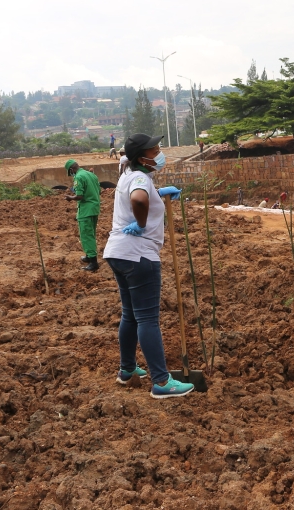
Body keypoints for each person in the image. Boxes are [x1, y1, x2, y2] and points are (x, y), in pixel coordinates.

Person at [103, 133, 193, 398]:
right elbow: (139, 200)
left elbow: (143, 194)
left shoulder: (128, 173)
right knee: (147, 319)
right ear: (141, 158)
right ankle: (162, 382)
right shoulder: (141, 178)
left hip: (118, 253)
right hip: (139, 255)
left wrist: (158, 193)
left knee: (130, 314)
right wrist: (143, 224)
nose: (160, 154)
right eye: (154, 151)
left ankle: (127, 370)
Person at [64, 159, 101, 271]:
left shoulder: (78, 177)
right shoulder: (91, 174)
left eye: (70, 172)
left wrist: (70, 198)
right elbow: (99, 190)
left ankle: (93, 262)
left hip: (85, 210)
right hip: (94, 208)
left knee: (86, 234)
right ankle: (89, 256)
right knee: (91, 233)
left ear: (71, 169)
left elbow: (79, 196)